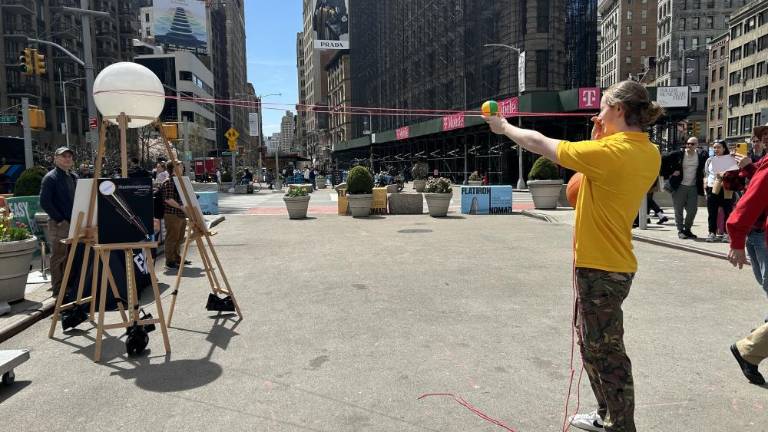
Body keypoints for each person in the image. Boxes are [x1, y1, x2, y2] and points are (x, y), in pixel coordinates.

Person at [485, 80, 663, 432]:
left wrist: (503, 126)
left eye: (602, 108)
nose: (596, 114)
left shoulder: (613, 153)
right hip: (609, 266)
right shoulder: (646, 151)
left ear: (618, 110)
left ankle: (621, 424)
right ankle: (606, 415)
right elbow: (575, 192)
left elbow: (540, 143)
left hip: (601, 268)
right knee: (591, 344)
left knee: (607, 353)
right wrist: (600, 141)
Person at [725, 139, 768, 385]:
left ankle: (754, 347)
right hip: (761, 237)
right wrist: (737, 242)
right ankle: (750, 350)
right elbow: (747, 203)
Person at [39, 147, 78, 296]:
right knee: (59, 257)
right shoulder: (50, 178)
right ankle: (58, 290)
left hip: (74, 223)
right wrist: (61, 220)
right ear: (55, 158)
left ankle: (69, 287)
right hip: (59, 224)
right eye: (63, 156)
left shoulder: (73, 176)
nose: (67, 158)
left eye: (70, 156)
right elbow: (45, 202)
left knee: (71, 256)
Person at [662, 137, 708, 239]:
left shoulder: (701, 155)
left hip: (693, 186)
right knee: (678, 210)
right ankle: (680, 230)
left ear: (697, 145)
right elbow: (662, 160)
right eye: (687, 143)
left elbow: (709, 164)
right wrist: (670, 172)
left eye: (692, 144)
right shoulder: (678, 154)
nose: (689, 146)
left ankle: (687, 229)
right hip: (679, 186)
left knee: (692, 210)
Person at [703, 140, 734, 242]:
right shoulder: (710, 160)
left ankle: (726, 233)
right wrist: (706, 185)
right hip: (712, 188)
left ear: (724, 148)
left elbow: (733, 174)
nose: (716, 149)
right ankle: (712, 233)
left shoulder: (730, 159)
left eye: (718, 147)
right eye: (714, 147)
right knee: (712, 213)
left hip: (726, 189)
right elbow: (707, 174)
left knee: (727, 212)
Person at [161, 161, 188, 270]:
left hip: (180, 214)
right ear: (173, 168)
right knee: (172, 238)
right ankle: (169, 261)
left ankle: (177, 258)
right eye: (179, 166)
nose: (182, 167)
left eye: (182, 166)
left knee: (180, 238)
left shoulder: (180, 181)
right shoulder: (169, 182)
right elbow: (168, 199)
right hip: (172, 214)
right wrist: (181, 207)